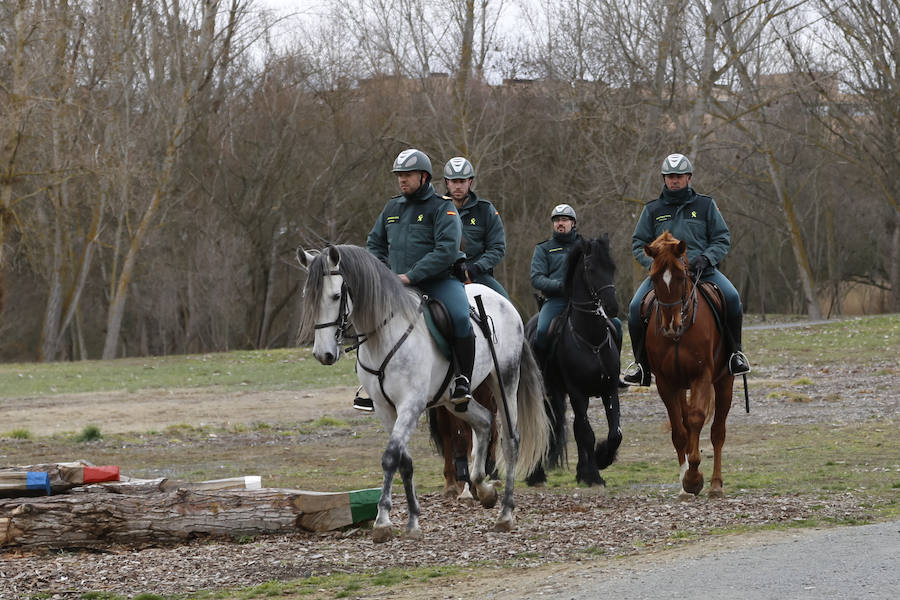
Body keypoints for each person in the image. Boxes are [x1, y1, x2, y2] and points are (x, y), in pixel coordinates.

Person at [360, 148, 476, 411]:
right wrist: (382, 273)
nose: (402, 180)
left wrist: (410, 276)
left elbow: (446, 250)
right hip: (397, 284)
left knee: (459, 316)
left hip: (439, 282)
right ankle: (371, 384)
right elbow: (374, 242)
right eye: (399, 175)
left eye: (408, 175)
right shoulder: (392, 207)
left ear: (424, 177)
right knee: (369, 319)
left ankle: (462, 379)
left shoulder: (442, 207)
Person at [622, 153, 751, 386]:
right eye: (670, 176)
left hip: (703, 272)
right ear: (664, 179)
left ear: (689, 177)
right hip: (664, 277)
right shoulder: (652, 209)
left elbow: (722, 238)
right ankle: (641, 366)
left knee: (732, 298)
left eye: (679, 176)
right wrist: (654, 266)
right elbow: (638, 242)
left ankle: (735, 355)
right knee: (633, 308)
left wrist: (707, 257)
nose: (674, 180)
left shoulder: (705, 205)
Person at [530, 204, 623, 365]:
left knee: (616, 326)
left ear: (573, 223)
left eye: (564, 220)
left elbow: (599, 270)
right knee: (542, 331)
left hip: (586, 301)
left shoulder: (586, 246)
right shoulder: (543, 249)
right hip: (556, 300)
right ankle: (542, 373)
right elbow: (537, 278)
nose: (560, 223)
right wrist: (560, 285)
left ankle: (615, 368)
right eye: (557, 220)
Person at [443, 156, 509, 299]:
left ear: (470, 182)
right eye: (454, 181)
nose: (458, 186)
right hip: (444, 276)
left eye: (462, 181)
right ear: (447, 182)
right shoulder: (436, 209)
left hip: (478, 276)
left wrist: (477, 267)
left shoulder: (486, 210)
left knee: (508, 307)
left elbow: (497, 247)